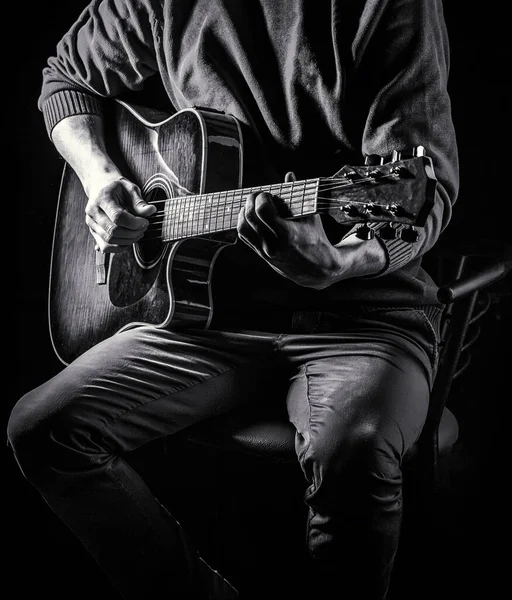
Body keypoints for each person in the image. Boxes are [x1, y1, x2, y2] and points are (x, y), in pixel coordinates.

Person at [8, 1, 458, 599]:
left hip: (362, 316)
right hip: (205, 315)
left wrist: (341, 261)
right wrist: (100, 177)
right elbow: (64, 77)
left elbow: (422, 192)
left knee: (352, 447)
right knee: (42, 430)